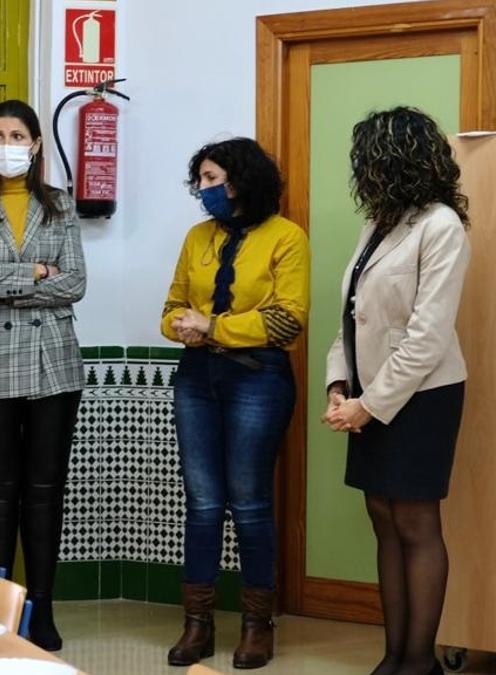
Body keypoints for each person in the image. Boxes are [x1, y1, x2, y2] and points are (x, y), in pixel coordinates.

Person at [324, 107, 469, 675]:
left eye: (367, 159)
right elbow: (353, 315)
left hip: (423, 396)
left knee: (415, 523)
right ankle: (393, 657)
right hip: (368, 393)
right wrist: (341, 384)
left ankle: (418, 662)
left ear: (397, 160)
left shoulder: (441, 226)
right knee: (383, 517)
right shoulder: (380, 223)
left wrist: (369, 405)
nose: (361, 170)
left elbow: (427, 336)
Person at [161, 138, 308, 669]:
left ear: (240, 180)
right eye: (198, 180)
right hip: (197, 375)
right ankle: (197, 625)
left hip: (259, 379)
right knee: (201, 503)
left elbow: (288, 319)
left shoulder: (286, 237)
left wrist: (215, 325)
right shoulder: (196, 236)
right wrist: (182, 325)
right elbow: (173, 304)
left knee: (248, 501)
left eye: (210, 179)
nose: (203, 191)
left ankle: (256, 625)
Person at [0, 99, 87, 652]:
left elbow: (74, 282)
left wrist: (0, 278)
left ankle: (43, 607)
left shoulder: (60, 204)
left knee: (45, 491)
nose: (7, 143)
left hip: (54, 362)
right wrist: (33, 271)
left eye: (17, 135)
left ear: (34, 145)